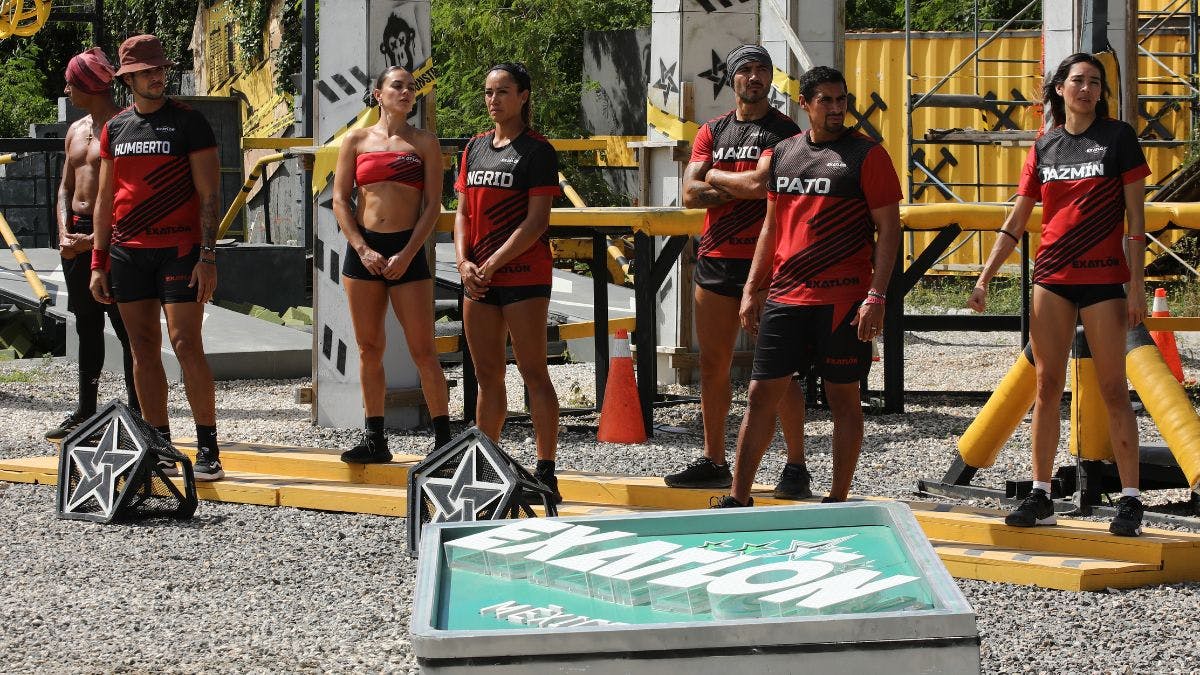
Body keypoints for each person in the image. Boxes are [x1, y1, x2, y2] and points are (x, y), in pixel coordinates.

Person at [969, 53, 1149, 537]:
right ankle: (1041, 494)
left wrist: (1136, 283)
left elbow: (1136, 220)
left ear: (1102, 92)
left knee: (1113, 388)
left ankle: (1130, 500)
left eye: (1094, 82)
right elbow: (1017, 219)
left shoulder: (1118, 138)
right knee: (1046, 387)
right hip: (1052, 278)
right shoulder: (1044, 144)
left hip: (1106, 279)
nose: (1085, 89)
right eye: (1077, 81)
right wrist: (985, 277)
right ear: (1059, 89)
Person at [714, 65, 901, 508]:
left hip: (843, 299)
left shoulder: (867, 155)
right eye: (826, 101)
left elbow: (889, 229)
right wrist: (752, 287)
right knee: (761, 394)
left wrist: (876, 295)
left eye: (842, 100)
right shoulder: (784, 153)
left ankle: (837, 498)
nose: (837, 109)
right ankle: (738, 499)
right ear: (805, 104)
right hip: (786, 296)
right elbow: (771, 226)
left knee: (843, 397)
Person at [664, 44, 813, 498]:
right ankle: (714, 458)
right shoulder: (713, 129)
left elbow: (761, 184)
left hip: (768, 260)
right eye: (745, 69)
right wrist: (729, 184)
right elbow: (688, 195)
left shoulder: (784, 131)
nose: (754, 77)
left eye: (762, 70)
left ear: (770, 79)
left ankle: (796, 464)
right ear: (732, 79)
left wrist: (715, 178)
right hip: (715, 256)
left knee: (777, 369)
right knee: (713, 364)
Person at [89, 34, 224, 481]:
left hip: (181, 250)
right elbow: (106, 199)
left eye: (161, 68)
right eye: (147, 70)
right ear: (128, 78)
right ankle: (160, 444)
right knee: (142, 349)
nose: (158, 75)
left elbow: (210, 195)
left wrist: (208, 256)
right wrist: (97, 261)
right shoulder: (115, 128)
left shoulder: (189, 122)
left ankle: (208, 448)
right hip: (128, 253)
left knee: (187, 345)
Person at [453, 62, 563, 501]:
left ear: (523, 96)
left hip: (522, 274)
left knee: (534, 370)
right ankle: (487, 463)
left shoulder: (538, 151)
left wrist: (492, 263)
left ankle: (546, 467)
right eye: (487, 92)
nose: (493, 99)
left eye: (503, 91)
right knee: (486, 375)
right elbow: (461, 211)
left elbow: (536, 222)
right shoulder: (474, 148)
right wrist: (463, 262)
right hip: (478, 278)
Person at [332, 66, 451, 462]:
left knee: (423, 350)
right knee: (369, 348)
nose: (405, 92)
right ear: (378, 94)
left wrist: (409, 252)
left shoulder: (425, 143)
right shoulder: (355, 140)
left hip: (408, 249)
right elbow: (339, 200)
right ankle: (375, 439)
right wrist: (362, 249)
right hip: (365, 251)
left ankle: (444, 441)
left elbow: (433, 206)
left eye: (410, 87)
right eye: (396, 85)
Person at [45, 47, 140, 441]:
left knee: (125, 325)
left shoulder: (123, 127)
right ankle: (86, 409)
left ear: (88, 85)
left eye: (71, 82)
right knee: (86, 324)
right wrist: (65, 232)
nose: (66, 88)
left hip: (112, 234)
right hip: (77, 235)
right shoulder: (75, 129)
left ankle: (139, 410)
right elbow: (65, 187)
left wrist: (96, 240)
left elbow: (129, 195)